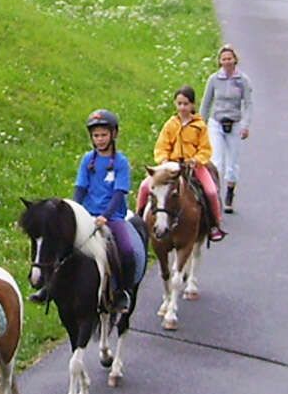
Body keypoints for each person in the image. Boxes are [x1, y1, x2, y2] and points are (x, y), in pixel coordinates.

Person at [73, 108, 144, 312]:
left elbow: (119, 193)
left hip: (112, 217)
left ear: (113, 134)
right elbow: (80, 188)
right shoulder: (88, 160)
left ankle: (122, 291)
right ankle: (52, 287)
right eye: (96, 136)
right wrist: (76, 210)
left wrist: (105, 216)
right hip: (88, 215)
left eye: (104, 135)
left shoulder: (120, 162)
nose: (100, 139)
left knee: (127, 251)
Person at [140, 86, 226, 242]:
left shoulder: (200, 126)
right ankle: (139, 221)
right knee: (145, 186)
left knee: (211, 191)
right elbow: (161, 146)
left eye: (186, 104)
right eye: (179, 104)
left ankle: (214, 224)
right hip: (170, 166)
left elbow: (205, 149)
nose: (182, 107)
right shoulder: (170, 125)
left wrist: (196, 160)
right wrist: (163, 159)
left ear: (193, 105)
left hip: (192, 166)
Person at [201, 45, 254, 214]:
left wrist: (246, 125)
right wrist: (200, 124)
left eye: (229, 58)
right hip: (216, 122)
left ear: (235, 60)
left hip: (235, 123)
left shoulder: (243, 80)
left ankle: (230, 193)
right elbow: (206, 102)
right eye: (223, 59)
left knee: (232, 163)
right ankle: (214, 196)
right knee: (217, 161)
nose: (227, 61)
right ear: (220, 61)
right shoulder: (214, 79)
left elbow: (248, 104)